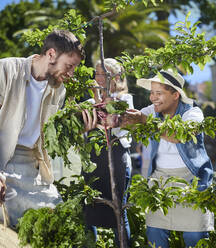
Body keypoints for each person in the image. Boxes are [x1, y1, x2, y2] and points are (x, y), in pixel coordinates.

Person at [0, 29, 97, 226]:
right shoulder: (6, 69)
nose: (71, 73)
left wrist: (78, 129)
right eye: (69, 66)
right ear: (51, 54)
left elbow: (47, 135)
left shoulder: (58, 89)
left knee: (58, 221)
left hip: (32, 167)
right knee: (3, 233)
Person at [122, 69, 214, 248]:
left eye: (159, 93)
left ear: (175, 95)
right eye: (151, 93)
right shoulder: (151, 111)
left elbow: (178, 135)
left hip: (191, 181)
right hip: (160, 181)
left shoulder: (193, 113)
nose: (152, 98)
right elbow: (132, 120)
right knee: (155, 235)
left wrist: (143, 121)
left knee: (194, 238)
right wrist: (119, 115)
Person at [82, 58, 133, 247]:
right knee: (89, 209)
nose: (98, 77)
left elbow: (110, 123)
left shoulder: (125, 100)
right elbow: (86, 125)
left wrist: (97, 98)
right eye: (96, 73)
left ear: (116, 77)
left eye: (103, 73)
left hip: (117, 159)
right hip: (95, 160)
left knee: (119, 213)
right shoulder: (89, 101)